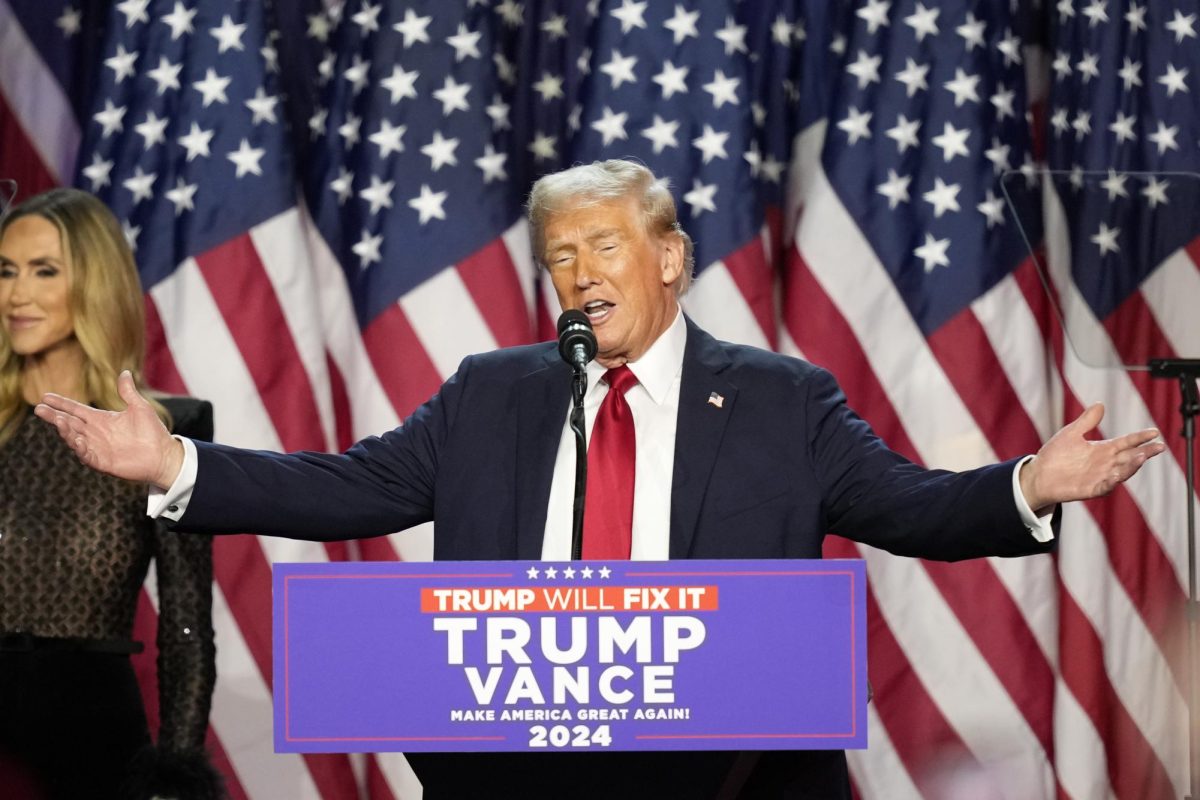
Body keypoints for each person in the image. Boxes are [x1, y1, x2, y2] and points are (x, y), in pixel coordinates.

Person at [35, 161, 1164, 799]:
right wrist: (174, 462)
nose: (578, 274)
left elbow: (909, 506)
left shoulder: (782, 396)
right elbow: (352, 486)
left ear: (669, 255)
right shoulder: (494, 390)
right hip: (520, 769)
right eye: (559, 256)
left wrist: (1031, 480)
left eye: (603, 247)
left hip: (730, 777)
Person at [0, 188, 221, 800]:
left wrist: (175, 775)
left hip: (92, 742)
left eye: (44, 270)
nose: (17, 294)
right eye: (6, 270)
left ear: (95, 283)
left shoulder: (163, 430)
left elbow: (185, 624)